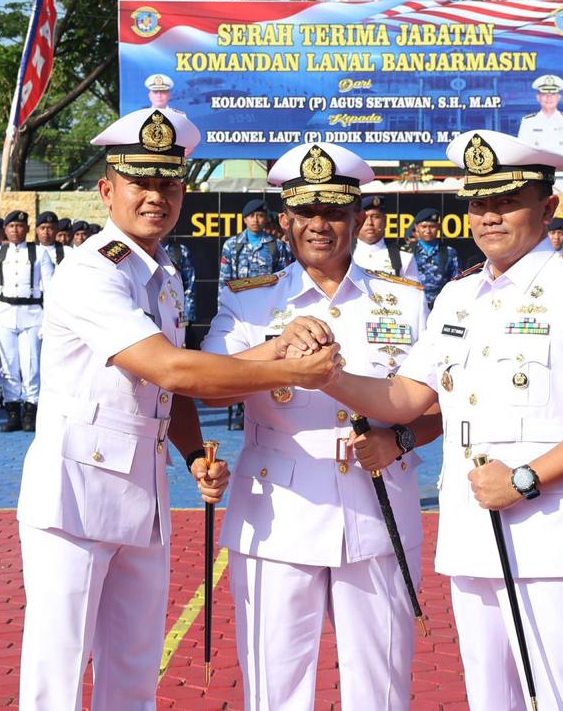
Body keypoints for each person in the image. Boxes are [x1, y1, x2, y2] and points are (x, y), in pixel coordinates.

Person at [15, 106, 343, 711]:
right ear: (107, 191)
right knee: (58, 673)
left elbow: (169, 392)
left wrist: (193, 453)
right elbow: (169, 367)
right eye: (140, 183)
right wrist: (289, 369)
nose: (156, 197)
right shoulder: (93, 272)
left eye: (168, 184)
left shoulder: (162, 272)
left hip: (143, 491)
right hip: (76, 492)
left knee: (134, 669)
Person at [322, 127, 563, 711]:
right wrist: (328, 377)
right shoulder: (458, 295)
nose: (489, 216)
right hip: (470, 528)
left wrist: (525, 478)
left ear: (548, 207)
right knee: (489, 696)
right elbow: (409, 395)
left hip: (547, 531)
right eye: (478, 203)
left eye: (507, 201)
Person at [202, 141, 439, 710]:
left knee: (382, 688)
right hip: (277, 514)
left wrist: (399, 439)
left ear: (358, 218)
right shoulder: (247, 301)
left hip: (378, 508)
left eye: (333, 212)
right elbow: (211, 383)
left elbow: (436, 405)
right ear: (285, 221)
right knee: (275, 688)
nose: (319, 225)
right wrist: (277, 350)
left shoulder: (405, 301)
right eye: (305, 212)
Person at [0, 209, 53, 432]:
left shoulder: (40, 253)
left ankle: (31, 409)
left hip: (32, 316)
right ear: (5, 230)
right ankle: (13, 410)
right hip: (5, 316)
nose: (15, 230)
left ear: (27, 229)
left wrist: (48, 322)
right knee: (8, 366)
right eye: (11, 226)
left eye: (20, 226)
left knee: (31, 366)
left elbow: (51, 292)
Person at [218, 199, 293, 294]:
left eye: (260, 216)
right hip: (240, 300)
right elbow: (224, 281)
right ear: (245, 219)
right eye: (251, 216)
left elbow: (283, 278)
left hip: (266, 301)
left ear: (266, 219)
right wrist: (223, 302)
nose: (255, 220)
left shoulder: (277, 246)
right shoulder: (231, 245)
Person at [517, 74, 563, 161]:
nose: (549, 98)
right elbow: (523, 152)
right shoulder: (528, 121)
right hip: (537, 168)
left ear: (559, 97)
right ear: (538, 98)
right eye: (544, 94)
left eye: (553, 94)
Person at [353, 194, 418, 278]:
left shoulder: (403, 256)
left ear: (385, 221)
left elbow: (413, 286)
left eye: (375, 217)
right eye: (365, 217)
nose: (370, 223)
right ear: (356, 222)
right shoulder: (342, 254)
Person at [409, 207, 460, 308]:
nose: (428, 230)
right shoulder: (407, 252)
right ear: (416, 227)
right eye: (424, 226)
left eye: (432, 226)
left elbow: (456, 282)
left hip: (441, 307)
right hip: (413, 306)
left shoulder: (449, 252)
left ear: (439, 227)